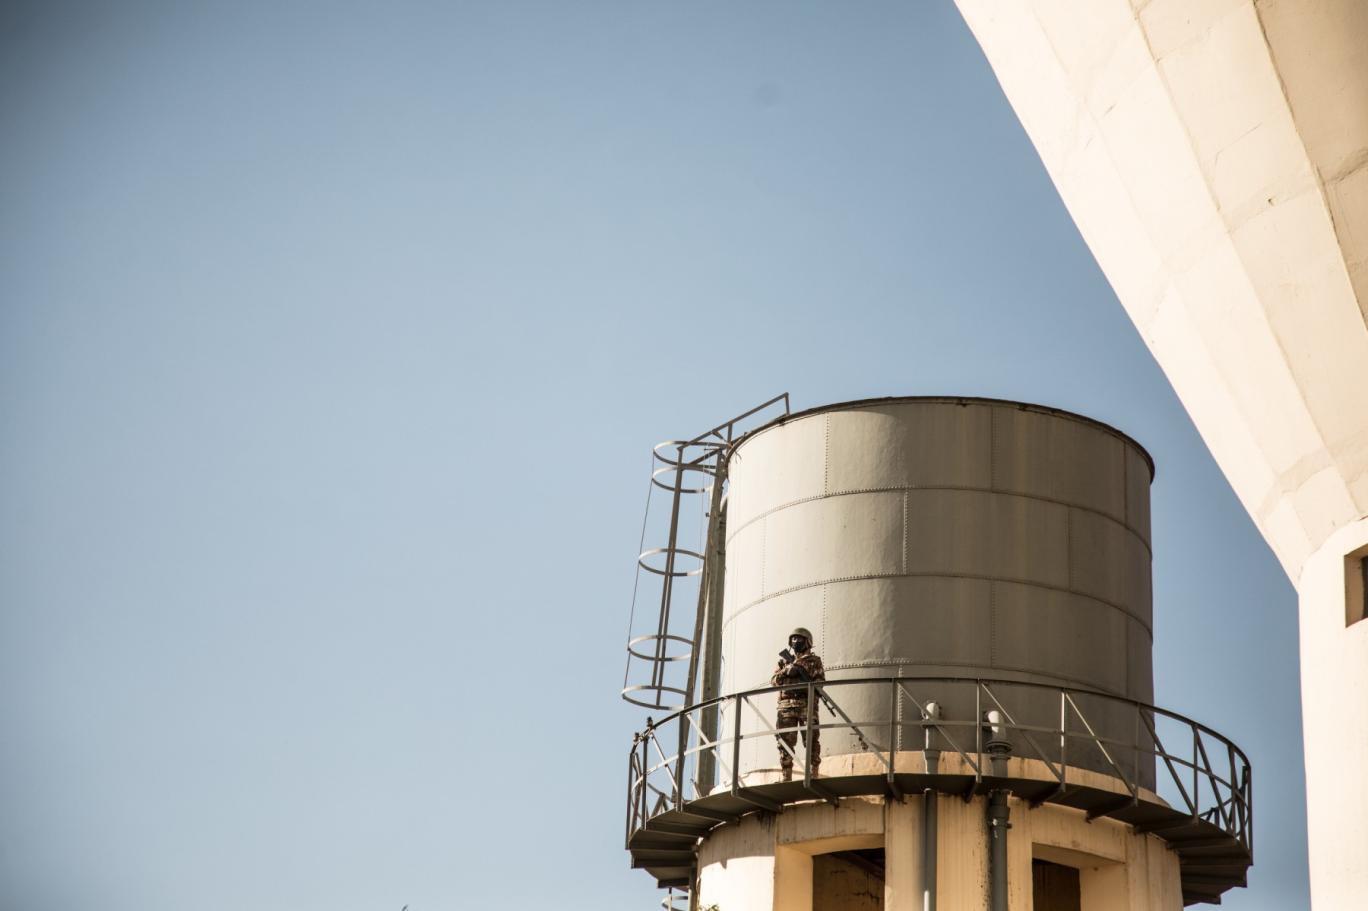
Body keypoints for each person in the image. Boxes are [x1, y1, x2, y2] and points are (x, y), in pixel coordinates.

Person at [771, 626, 824, 781]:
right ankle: (786, 775)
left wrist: (801, 674)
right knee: (784, 742)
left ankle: (814, 773)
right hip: (786, 706)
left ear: (807, 642)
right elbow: (773, 682)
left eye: (799, 639)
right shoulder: (783, 662)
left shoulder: (814, 662)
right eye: (793, 639)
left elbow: (819, 684)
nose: (796, 641)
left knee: (811, 740)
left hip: (807, 705)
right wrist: (786, 671)